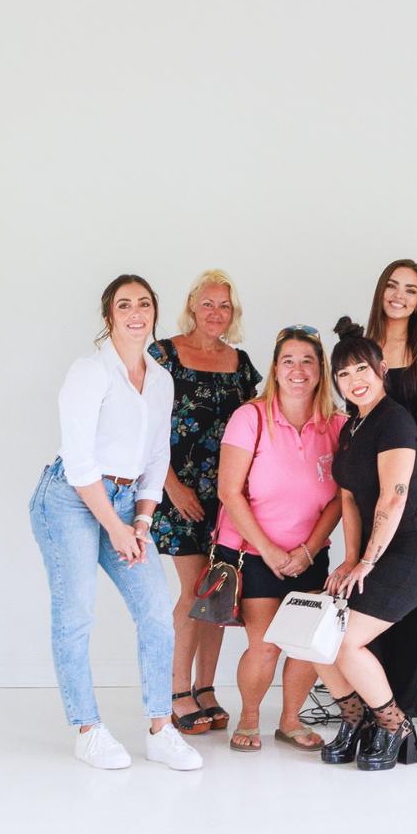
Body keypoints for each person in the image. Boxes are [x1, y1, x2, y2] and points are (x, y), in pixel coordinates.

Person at [28, 275, 202, 771]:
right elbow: (80, 462)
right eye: (124, 305)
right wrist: (115, 527)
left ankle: (161, 729)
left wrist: (141, 521)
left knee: (156, 612)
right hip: (70, 498)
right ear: (109, 317)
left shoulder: (161, 379)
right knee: (77, 613)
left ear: (155, 312)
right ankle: (88, 730)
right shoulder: (90, 372)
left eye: (144, 303)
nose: (135, 312)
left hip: (127, 503)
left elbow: (157, 456)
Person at [314, 321, 417, 772]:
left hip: (411, 552)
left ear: (381, 369)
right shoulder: (352, 427)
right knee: (317, 637)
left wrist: (367, 561)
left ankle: (394, 727)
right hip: (373, 553)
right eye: (344, 374)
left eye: (362, 369)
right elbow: (349, 497)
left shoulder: (394, 421)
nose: (354, 380)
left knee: (345, 642)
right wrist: (350, 558)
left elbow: (393, 497)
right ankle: (357, 721)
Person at [215, 326, 345, 753]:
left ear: (321, 370)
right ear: (274, 369)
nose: (297, 369)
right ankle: (249, 718)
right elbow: (229, 491)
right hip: (253, 552)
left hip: (310, 554)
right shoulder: (250, 417)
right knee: (266, 643)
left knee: (304, 643)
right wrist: (269, 551)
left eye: (308, 361)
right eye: (288, 360)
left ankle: (290, 721)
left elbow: (341, 499)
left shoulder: (338, 424)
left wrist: (309, 550)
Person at [149, 268, 259, 734]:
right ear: (193, 305)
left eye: (224, 305)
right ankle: (175, 693)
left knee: (219, 589)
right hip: (178, 492)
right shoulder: (163, 355)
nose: (216, 312)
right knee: (195, 591)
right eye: (208, 303)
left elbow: (254, 426)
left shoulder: (241, 363)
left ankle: (206, 688)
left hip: (229, 495)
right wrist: (171, 486)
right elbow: (143, 426)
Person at [364, 260, 417, 718]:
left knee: (414, 591)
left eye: (411, 290)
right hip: (368, 479)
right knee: (372, 581)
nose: (399, 295)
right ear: (381, 291)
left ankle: (407, 702)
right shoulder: (362, 347)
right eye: (392, 286)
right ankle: (372, 692)